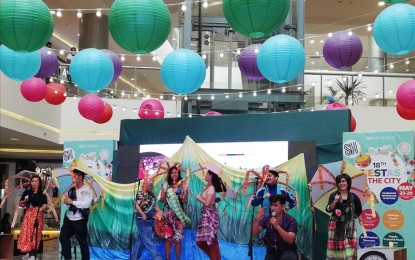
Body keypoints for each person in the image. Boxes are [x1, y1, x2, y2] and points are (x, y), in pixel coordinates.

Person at [326, 173, 362, 260]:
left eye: (343, 181)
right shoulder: (334, 195)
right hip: (335, 225)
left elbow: (359, 210)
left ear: (348, 182)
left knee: (350, 250)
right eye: (339, 182)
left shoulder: (354, 197)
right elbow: (328, 209)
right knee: (335, 250)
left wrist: (350, 216)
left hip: (349, 226)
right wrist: (335, 201)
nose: (341, 183)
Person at [59, 168, 93, 260]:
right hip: (69, 219)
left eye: (78, 175)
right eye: (74, 175)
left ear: (81, 177)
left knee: (82, 242)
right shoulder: (71, 189)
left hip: (80, 220)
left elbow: (86, 204)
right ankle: (68, 258)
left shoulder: (86, 190)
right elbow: (69, 204)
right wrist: (67, 202)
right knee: (63, 237)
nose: (75, 177)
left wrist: (73, 202)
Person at [252, 194, 298, 260]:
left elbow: (290, 240)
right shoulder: (267, 218)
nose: (273, 208)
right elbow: (254, 233)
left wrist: (277, 227)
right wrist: (257, 218)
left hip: (287, 250)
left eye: (276, 205)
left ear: (283, 206)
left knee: (288, 258)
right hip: (272, 251)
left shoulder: (291, 220)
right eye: (271, 205)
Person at [195, 169, 226, 260]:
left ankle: (215, 258)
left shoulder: (212, 188)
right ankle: (214, 258)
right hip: (204, 215)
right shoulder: (207, 187)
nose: (205, 175)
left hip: (210, 216)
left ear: (211, 176)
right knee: (201, 241)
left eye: (207, 174)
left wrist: (199, 198)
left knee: (211, 240)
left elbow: (208, 203)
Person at [159, 166, 189, 260]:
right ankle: (167, 258)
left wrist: (184, 195)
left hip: (178, 215)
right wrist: (164, 192)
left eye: (175, 172)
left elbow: (185, 201)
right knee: (168, 238)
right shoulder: (166, 184)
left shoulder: (182, 184)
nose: (174, 174)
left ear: (178, 173)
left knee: (178, 239)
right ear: (169, 174)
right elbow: (162, 200)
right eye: (172, 173)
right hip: (168, 215)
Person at [17, 175, 48, 260]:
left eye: (36, 181)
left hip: (38, 215)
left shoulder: (42, 193)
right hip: (28, 215)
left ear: (39, 183)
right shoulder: (27, 192)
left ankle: (33, 254)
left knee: (35, 234)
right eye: (32, 181)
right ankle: (28, 252)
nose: (33, 183)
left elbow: (45, 204)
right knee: (27, 234)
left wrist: (40, 209)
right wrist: (24, 201)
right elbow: (20, 204)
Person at [132, 178, 162, 260]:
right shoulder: (140, 194)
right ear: (145, 184)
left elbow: (155, 206)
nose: (151, 186)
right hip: (141, 219)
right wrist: (142, 214)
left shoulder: (151, 195)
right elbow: (136, 205)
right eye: (150, 184)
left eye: (152, 184)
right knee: (149, 240)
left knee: (140, 240)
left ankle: (134, 257)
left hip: (149, 220)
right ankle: (157, 258)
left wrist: (160, 212)